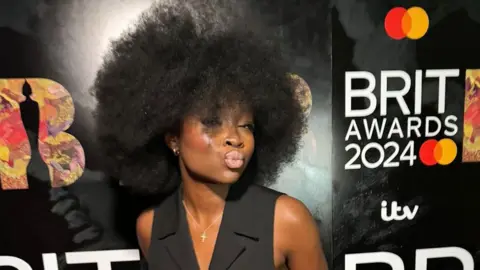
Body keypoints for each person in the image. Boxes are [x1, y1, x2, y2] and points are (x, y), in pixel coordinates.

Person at [92, 0, 328, 269]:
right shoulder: (150, 227)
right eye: (212, 122)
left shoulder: (287, 220)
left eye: (246, 126)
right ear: (173, 140)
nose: (235, 138)